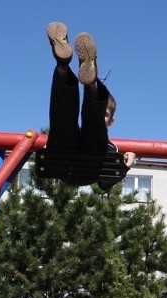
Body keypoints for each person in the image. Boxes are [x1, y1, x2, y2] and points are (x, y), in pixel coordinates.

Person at [46, 22, 135, 188]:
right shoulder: (110, 148)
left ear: (111, 121)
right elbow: (105, 183)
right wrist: (125, 166)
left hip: (62, 165)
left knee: (63, 121)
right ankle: (87, 79)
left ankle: (64, 67)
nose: (103, 116)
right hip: (87, 172)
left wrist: (124, 166)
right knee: (77, 124)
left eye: (106, 114)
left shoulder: (107, 145)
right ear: (111, 123)